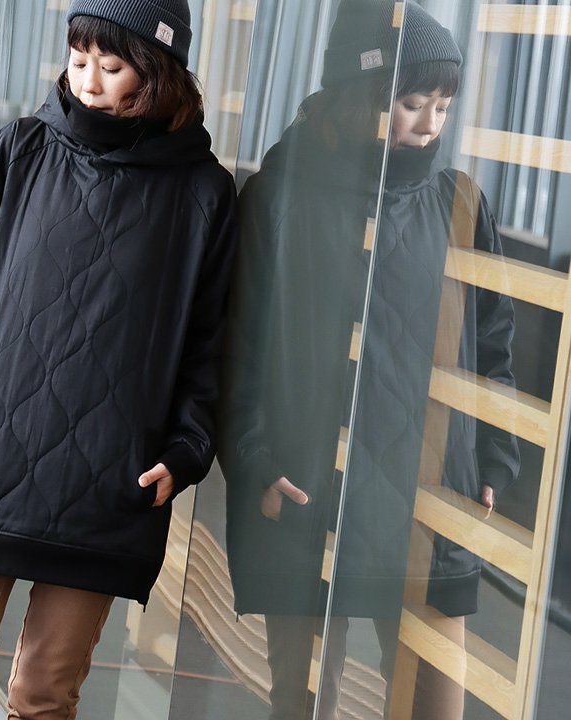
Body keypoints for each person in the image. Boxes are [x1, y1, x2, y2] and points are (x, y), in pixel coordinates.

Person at [0, 1, 239, 718]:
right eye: (79, 60)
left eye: (110, 66)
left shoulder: (202, 192)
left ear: (158, 71)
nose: (87, 80)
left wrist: (185, 450)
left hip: (108, 489)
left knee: (44, 700)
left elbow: (210, 340)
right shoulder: (19, 150)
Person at [217, 2, 519, 719]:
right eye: (412, 103)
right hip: (306, 494)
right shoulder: (282, 195)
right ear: (358, 94)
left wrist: (494, 462)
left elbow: (493, 347)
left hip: (426, 508)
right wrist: (255, 462)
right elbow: (238, 346)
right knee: (303, 703)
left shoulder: (459, 203)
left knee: (433, 705)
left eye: (443, 105)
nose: (430, 124)